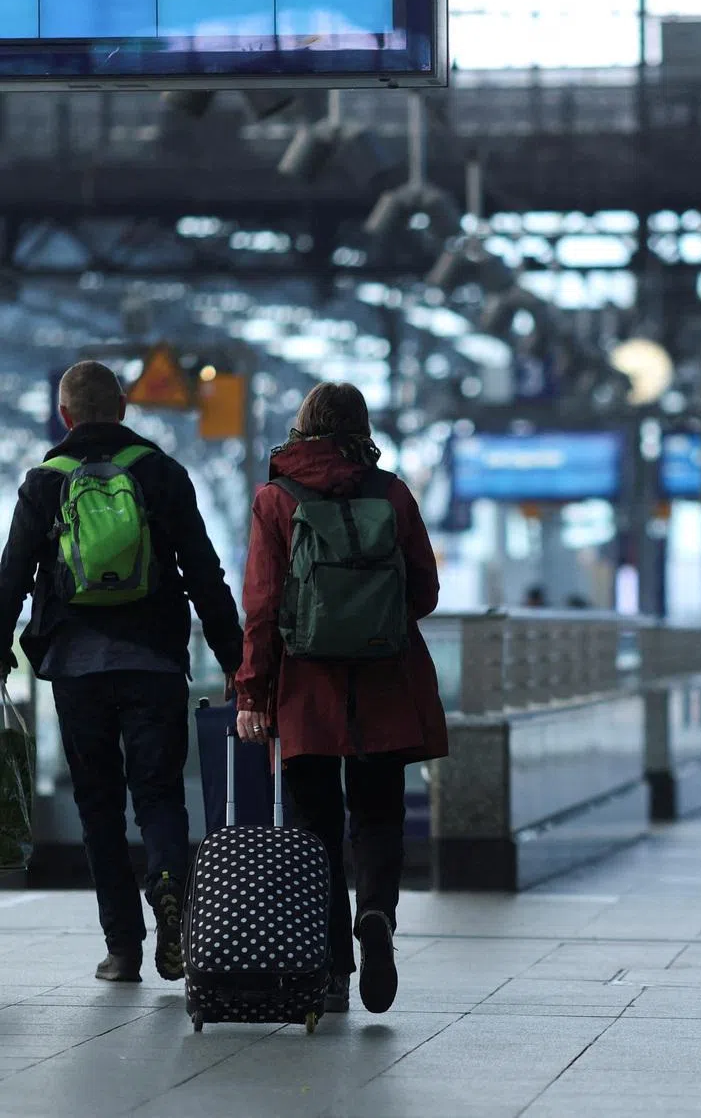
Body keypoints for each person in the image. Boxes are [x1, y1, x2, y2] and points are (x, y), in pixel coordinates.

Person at [0, 361, 243, 983]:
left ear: (66, 416)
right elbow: (206, 576)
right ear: (124, 409)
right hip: (155, 663)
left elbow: (10, 583)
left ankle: (123, 948)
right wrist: (239, 662)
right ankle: (170, 897)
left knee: (98, 804)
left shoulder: (43, 483)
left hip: (77, 670)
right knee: (158, 794)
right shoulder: (162, 474)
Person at [235, 382, 448, 1015]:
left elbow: (263, 606)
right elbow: (426, 591)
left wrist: (252, 691)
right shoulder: (393, 493)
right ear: (362, 428)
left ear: (302, 427)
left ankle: (331, 969)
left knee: (316, 828)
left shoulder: (276, 498)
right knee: (379, 814)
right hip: (385, 681)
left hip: (306, 691)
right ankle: (376, 911)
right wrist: (374, 620)